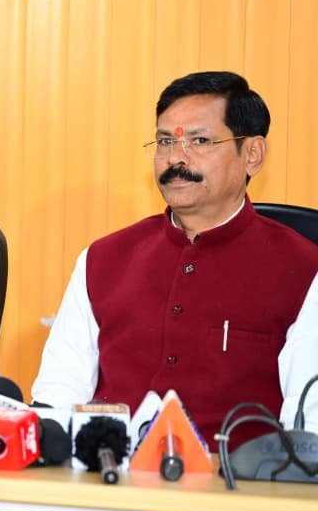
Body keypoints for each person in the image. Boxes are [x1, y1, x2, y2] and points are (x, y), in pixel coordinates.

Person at [32, 71, 318, 448]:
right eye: (165, 141)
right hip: (108, 476)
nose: (175, 158)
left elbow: (308, 428)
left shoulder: (304, 270)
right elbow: (57, 398)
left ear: (252, 154)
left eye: (200, 141)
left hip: (239, 479)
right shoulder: (102, 260)